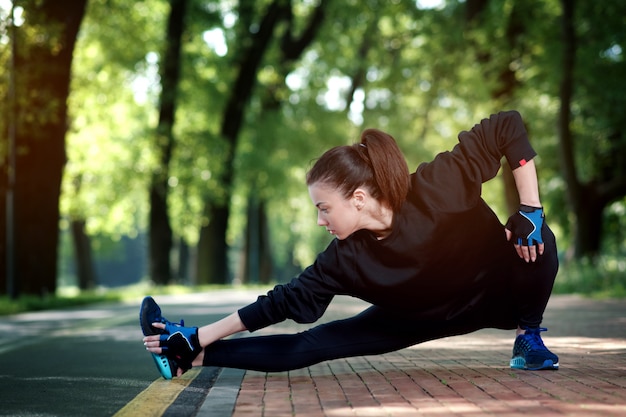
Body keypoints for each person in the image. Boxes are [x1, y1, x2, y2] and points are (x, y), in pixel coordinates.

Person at [141, 110, 559, 380]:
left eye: (324, 208)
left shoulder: (436, 186)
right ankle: (187, 359)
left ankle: (528, 337)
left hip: (498, 296)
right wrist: (200, 337)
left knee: (539, 238)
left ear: (358, 199)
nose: (320, 220)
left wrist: (531, 209)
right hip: (417, 318)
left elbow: (506, 126)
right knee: (312, 345)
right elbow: (280, 304)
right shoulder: (345, 258)